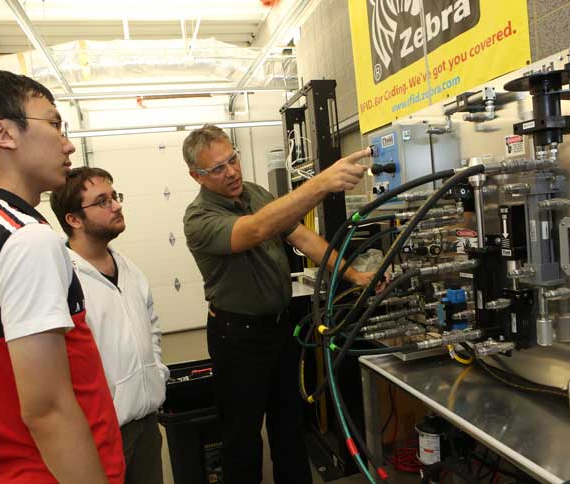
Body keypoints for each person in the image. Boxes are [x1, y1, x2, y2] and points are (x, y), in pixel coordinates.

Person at [0, 71, 125, 483]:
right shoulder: (26, 238)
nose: (68, 144)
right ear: (3, 133)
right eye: (54, 124)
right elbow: (48, 409)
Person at [182, 124, 374, 484]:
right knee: (242, 436)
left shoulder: (254, 192)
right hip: (237, 338)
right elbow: (254, 230)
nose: (232, 172)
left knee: (289, 425)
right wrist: (320, 183)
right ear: (197, 176)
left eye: (233, 160)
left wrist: (353, 275)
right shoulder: (198, 219)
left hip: (279, 329)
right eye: (218, 168)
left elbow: (301, 235)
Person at [50, 167, 169, 484]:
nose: (116, 205)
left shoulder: (129, 269)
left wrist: (157, 374)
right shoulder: (62, 278)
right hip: (98, 432)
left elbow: (152, 329)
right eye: (102, 201)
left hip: (146, 422)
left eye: (114, 196)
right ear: (73, 219)